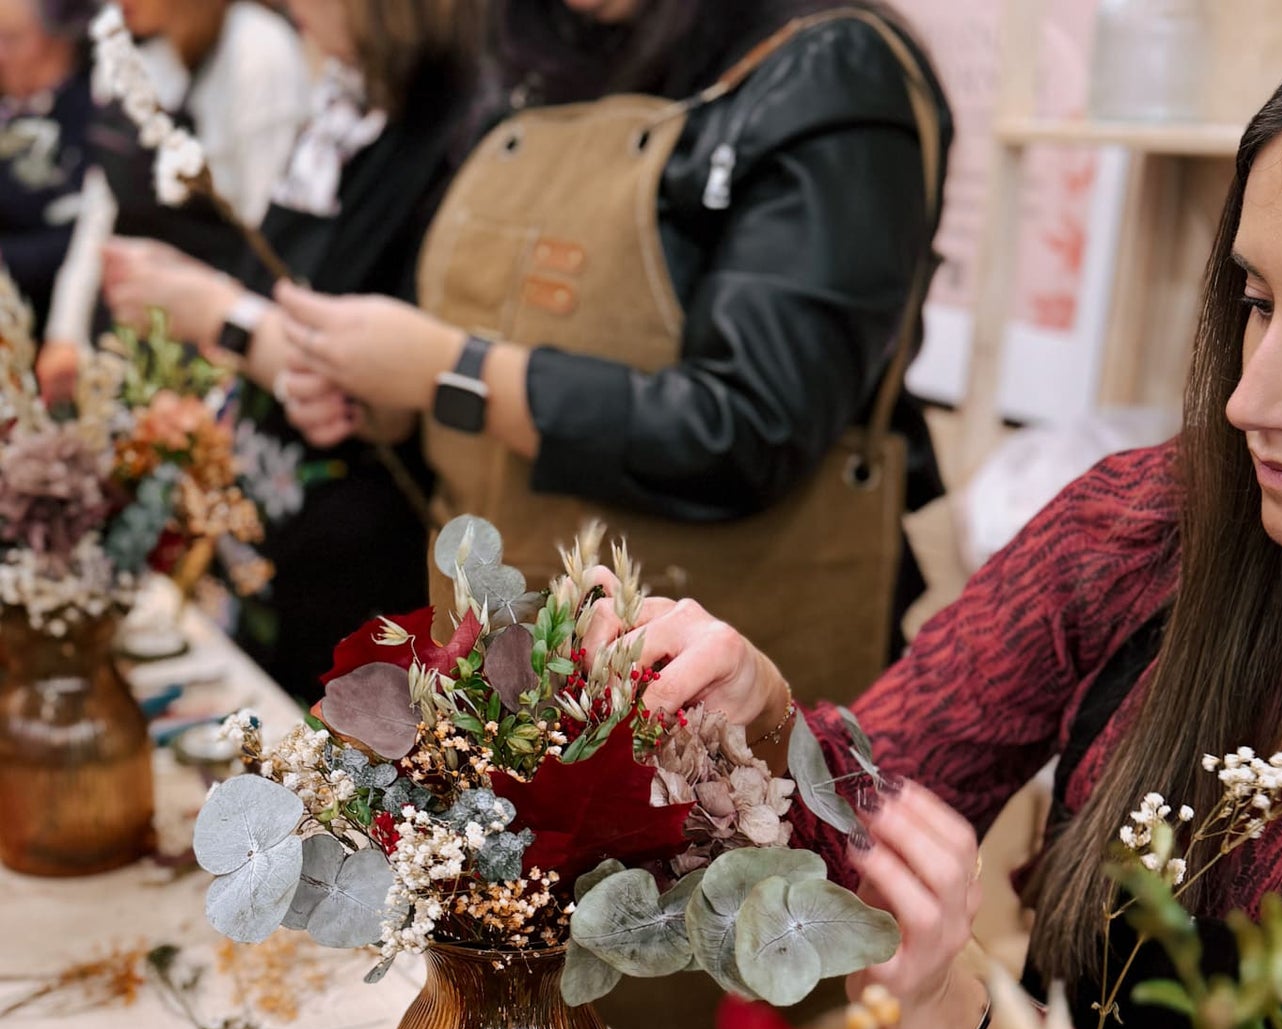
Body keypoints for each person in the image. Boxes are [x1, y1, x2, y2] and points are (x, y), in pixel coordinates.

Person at [567, 0, 1282, 1029]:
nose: (1251, 398)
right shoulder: (1145, 531)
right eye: (1252, 301)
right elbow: (854, 836)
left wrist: (965, 1018)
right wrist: (759, 718)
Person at [272, 0, 953, 708]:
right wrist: (396, 396)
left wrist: (455, 374)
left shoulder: (829, 68)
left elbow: (748, 425)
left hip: (706, 682)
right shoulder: (539, 55)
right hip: (503, 650)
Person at [100, 0, 486, 694]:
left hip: (368, 566)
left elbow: (379, 385)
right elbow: (290, 288)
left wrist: (220, 313)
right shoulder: (348, 106)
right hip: (279, 535)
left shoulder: (454, 136)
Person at [90, 0, 309, 272]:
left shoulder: (258, 51)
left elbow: (272, 235)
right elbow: (95, 222)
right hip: (133, 300)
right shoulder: (122, 51)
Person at [0, 0, 91, 330]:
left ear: (59, 37)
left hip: (42, 316)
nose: (0, 55)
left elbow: (83, 238)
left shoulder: (89, 118)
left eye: (12, 39)